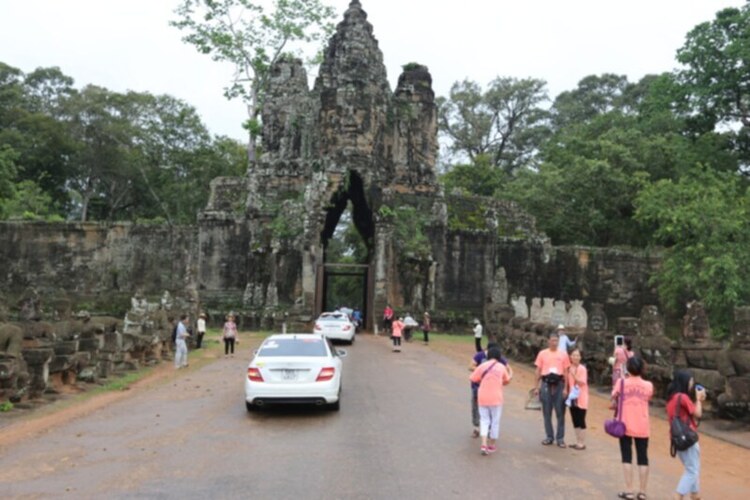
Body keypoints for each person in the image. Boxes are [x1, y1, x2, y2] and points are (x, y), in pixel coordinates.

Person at [612, 356, 653, 500]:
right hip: (642, 425)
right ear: (642, 369)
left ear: (628, 368)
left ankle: (629, 490)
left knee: (626, 457)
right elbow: (648, 397)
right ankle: (642, 492)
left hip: (625, 424)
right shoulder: (648, 385)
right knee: (643, 458)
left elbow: (613, 397)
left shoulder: (621, 382)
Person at [666, 369, 705, 500]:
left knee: (693, 467)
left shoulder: (672, 397)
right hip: (688, 438)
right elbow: (698, 414)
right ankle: (678, 496)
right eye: (690, 381)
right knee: (692, 470)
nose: (692, 384)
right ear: (684, 382)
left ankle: (695, 495)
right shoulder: (682, 397)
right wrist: (699, 400)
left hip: (677, 438)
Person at [470, 346, 512, 455]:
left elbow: (473, 378)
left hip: (483, 396)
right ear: (499, 356)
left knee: (484, 420)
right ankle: (491, 445)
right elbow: (507, 381)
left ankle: (483, 444)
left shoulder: (482, 366)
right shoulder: (501, 367)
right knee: (495, 421)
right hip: (496, 397)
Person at [534, 331, 571, 447]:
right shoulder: (542, 354)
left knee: (560, 412)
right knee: (546, 412)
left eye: (556, 340)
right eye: (553, 340)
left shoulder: (563, 354)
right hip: (545, 384)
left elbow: (566, 372)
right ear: (548, 341)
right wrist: (536, 387)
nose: (555, 343)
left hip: (559, 384)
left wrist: (566, 388)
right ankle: (549, 436)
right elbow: (538, 370)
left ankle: (560, 438)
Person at [566, 347, 589, 450]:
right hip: (572, 397)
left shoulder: (582, 369)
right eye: (573, 355)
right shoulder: (569, 367)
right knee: (574, 419)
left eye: (577, 355)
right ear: (570, 356)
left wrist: (573, 374)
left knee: (581, 419)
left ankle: (581, 442)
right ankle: (577, 441)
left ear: (580, 357)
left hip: (581, 397)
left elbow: (581, 382)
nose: (575, 357)